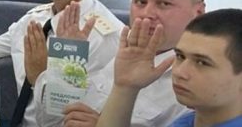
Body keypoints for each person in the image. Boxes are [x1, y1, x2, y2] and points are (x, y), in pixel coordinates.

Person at [43, 0, 206, 127]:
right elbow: (51, 121)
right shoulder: (120, 46)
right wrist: (64, 64)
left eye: (164, 4)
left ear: (197, 13)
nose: (147, 14)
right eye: (140, 2)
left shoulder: (199, 81)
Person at [96, 9, 242, 127]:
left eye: (202, 63)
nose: (179, 72)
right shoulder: (188, 121)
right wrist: (125, 87)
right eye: (180, 56)